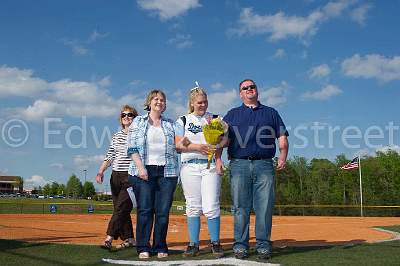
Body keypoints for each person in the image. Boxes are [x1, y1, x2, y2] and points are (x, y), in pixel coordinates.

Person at [223, 79, 289, 260]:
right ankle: (240, 245)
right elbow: (223, 139)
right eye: (245, 88)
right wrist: (218, 159)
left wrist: (283, 156)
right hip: (239, 164)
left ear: (257, 90)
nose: (250, 89)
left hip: (264, 164)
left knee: (265, 207)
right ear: (240, 94)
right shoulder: (232, 114)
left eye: (252, 87)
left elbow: (282, 136)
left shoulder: (271, 112)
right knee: (240, 207)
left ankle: (263, 245)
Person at [127, 90, 178, 259]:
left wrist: (202, 143)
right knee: (145, 210)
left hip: (167, 172)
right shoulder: (138, 122)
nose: (159, 102)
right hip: (143, 171)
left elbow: (181, 144)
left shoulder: (170, 123)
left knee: (163, 212)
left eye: (162, 100)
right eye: (156, 99)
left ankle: (160, 246)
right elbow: (132, 148)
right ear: (149, 102)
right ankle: (143, 246)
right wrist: (141, 168)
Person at [175, 86, 225, 258]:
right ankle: (193, 244)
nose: (203, 105)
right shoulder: (183, 120)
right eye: (199, 102)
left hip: (209, 166)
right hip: (189, 166)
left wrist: (218, 157)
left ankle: (216, 243)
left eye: (205, 101)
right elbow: (178, 145)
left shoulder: (215, 118)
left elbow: (223, 140)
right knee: (193, 206)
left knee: (211, 205)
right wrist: (198, 147)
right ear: (191, 103)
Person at [96, 104, 138, 250]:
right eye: (123, 115)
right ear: (120, 119)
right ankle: (130, 238)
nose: (126, 117)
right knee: (121, 209)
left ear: (135, 118)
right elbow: (110, 156)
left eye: (130, 114)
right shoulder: (116, 136)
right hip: (115, 176)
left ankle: (109, 238)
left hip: (130, 175)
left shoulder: (138, 135)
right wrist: (101, 171)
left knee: (121, 207)